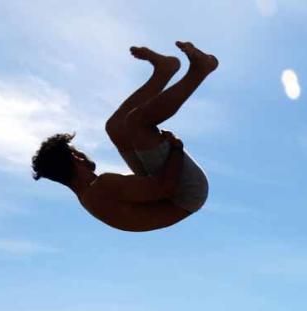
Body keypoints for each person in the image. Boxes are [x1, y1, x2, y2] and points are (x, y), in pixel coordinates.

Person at [31, 42, 217, 232]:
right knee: (137, 124)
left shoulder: (90, 196)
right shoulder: (102, 186)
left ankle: (164, 71)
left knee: (115, 128)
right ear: (75, 158)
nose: (83, 155)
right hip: (185, 191)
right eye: (77, 152)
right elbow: (165, 187)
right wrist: (176, 148)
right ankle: (199, 71)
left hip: (171, 192)